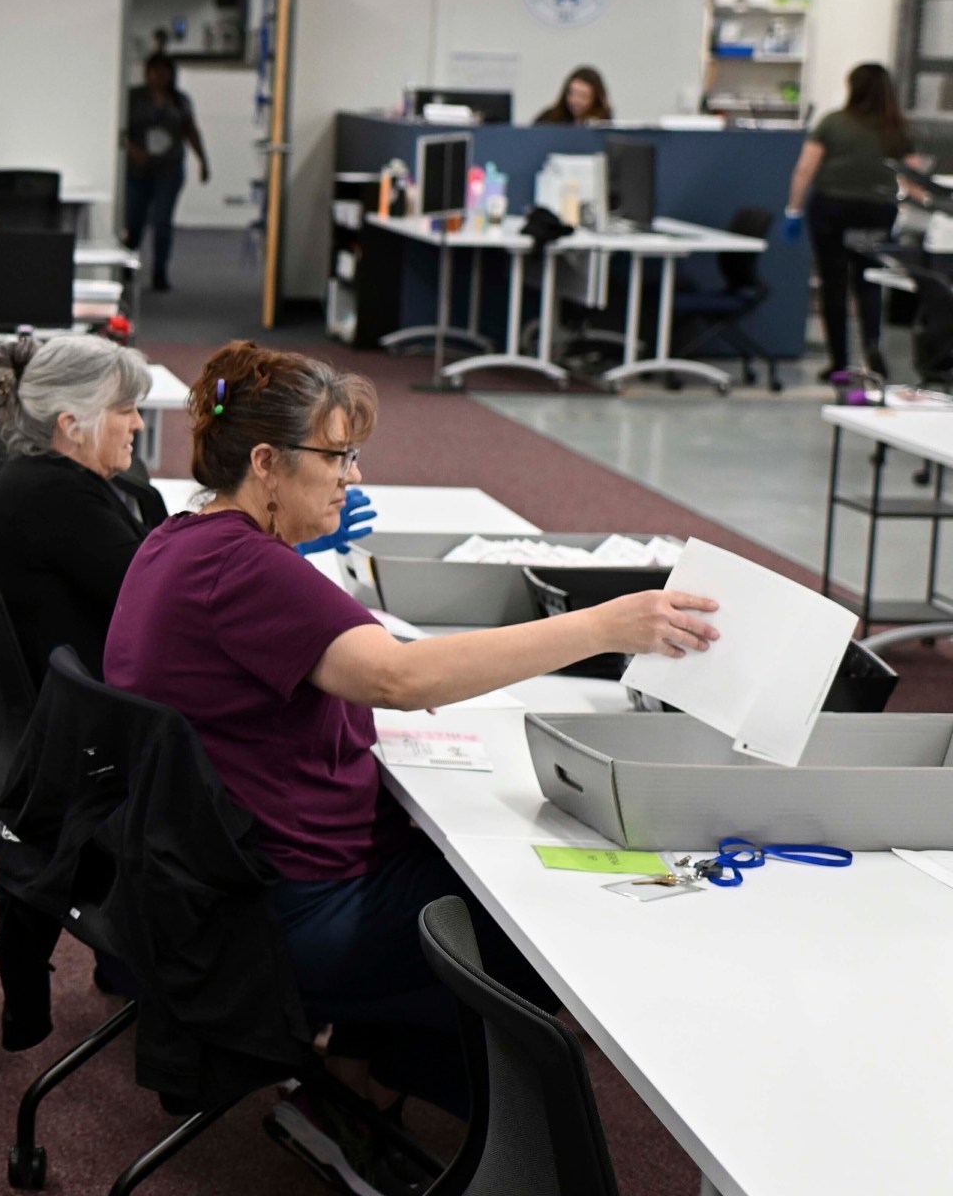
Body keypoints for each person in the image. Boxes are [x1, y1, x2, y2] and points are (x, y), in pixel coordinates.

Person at [103, 342, 718, 1186]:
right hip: (291, 908)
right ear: (265, 463)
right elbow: (399, 676)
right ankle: (505, 1144)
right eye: (336, 456)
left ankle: (350, 1092)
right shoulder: (243, 568)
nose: (350, 476)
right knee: (544, 924)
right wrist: (603, 627)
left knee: (474, 869)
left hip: (226, 882)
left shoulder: (184, 539)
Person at [0, 335, 168, 682]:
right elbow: (160, 596)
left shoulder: (43, 481)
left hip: (69, 694)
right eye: (124, 411)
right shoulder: (56, 500)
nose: (139, 424)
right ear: (71, 426)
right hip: (84, 708)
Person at [787, 62, 920, 381]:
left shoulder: (833, 123)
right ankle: (873, 357)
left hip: (832, 209)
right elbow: (915, 177)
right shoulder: (896, 128)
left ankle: (838, 363)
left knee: (834, 284)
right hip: (876, 211)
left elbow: (806, 168)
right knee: (869, 281)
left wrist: (793, 210)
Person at [123, 54, 207, 292]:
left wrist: (203, 161)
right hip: (138, 170)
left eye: (164, 72)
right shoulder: (134, 98)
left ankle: (160, 272)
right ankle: (126, 268)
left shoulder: (180, 101)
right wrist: (132, 150)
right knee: (134, 222)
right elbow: (120, 129)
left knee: (162, 222)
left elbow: (191, 131)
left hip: (168, 171)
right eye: (154, 71)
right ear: (147, 73)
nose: (159, 77)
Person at [532, 66, 612, 126]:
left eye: (583, 96)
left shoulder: (603, 124)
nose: (575, 100)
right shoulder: (549, 119)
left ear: (595, 99)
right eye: (572, 93)